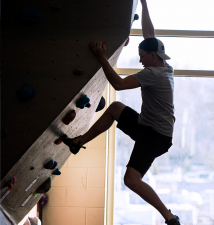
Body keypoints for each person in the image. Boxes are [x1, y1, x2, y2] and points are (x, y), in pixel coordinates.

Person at [61, 0, 180, 224]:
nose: (140, 59)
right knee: (115, 108)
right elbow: (149, 34)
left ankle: (170, 217)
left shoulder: (152, 74)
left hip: (155, 136)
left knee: (131, 180)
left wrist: (102, 57)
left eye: (142, 56)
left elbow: (118, 85)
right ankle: (78, 142)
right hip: (150, 128)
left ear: (153, 56)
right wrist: (144, 5)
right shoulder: (164, 66)